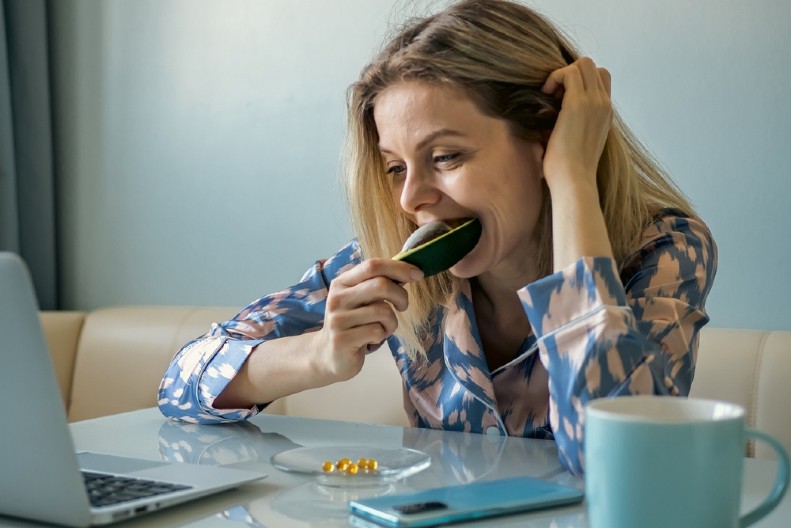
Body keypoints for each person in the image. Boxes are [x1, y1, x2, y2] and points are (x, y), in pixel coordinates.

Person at [158, 0, 717, 476]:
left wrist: (572, 178)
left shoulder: (665, 251)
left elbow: (613, 458)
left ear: (546, 138)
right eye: (396, 167)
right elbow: (183, 381)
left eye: (446, 157)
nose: (410, 199)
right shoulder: (397, 262)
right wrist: (321, 354)